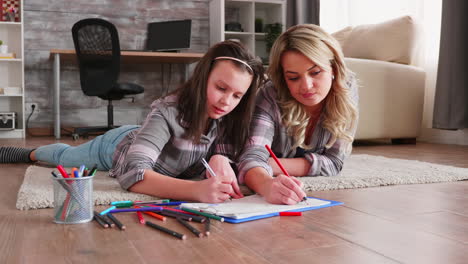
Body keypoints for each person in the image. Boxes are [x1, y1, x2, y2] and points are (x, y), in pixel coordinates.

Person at [0, 40, 265, 203]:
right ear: (202, 77)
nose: (226, 102)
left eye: (237, 95)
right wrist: (195, 191)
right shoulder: (168, 111)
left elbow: (239, 155)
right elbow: (134, 174)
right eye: (221, 88)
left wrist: (221, 158)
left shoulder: (229, 117)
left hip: (155, 148)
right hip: (117, 146)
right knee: (67, 157)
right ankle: (29, 152)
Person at [237, 24, 359, 205]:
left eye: (315, 72)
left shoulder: (346, 87)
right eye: (293, 77)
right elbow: (251, 158)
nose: (306, 86)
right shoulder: (270, 93)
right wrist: (266, 185)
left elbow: (334, 163)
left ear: (333, 68)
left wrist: (272, 164)